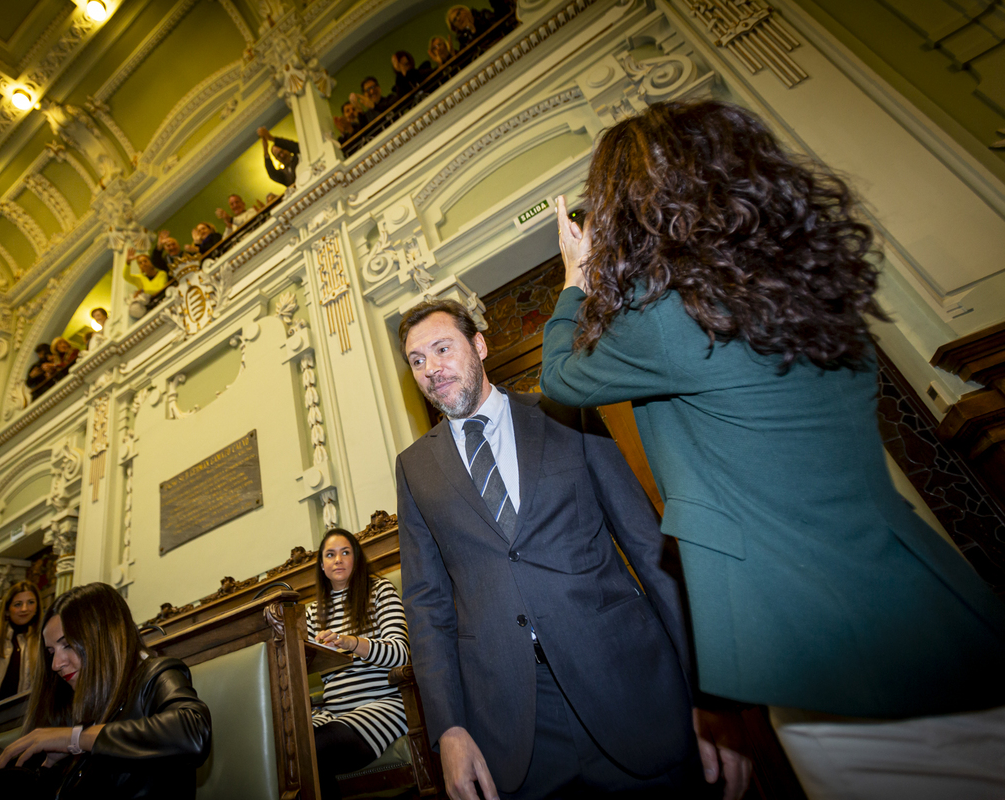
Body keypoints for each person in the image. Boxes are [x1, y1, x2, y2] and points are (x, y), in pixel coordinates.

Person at [540, 99, 1005, 799]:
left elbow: (560, 377)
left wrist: (576, 282)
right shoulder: (813, 292)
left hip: (825, 651)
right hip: (941, 616)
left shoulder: (669, 318)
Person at [395, 299, 744, 800]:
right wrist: (448, 729)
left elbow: (648, 548)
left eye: (442, 348)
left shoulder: (563, 412)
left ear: (479, 346)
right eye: (417, 360)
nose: (432, 368)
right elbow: (426, 606)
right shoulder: (415, 468)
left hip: (628, 688)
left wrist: (710, 694)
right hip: (514, 726)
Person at [0, 582, 211, 799]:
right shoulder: (81, 703)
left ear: (102, 636)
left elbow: (192, 734)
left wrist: (75, 738)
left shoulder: (156, 673)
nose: (55, 664)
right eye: (51, 651)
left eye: (67, 644)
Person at [306, 529, 410, 800]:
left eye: (345, 552)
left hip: (381, 705)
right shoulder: (311, 613)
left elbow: (401, 653)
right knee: (290, 750)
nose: (337, 559)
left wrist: (351, 642)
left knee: (315, 748)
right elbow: (304, 667)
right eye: (330, 554)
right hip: (332, 712)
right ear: (322, 566)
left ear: (356, 558)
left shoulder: (380, 591)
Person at [123, 253, 170, 320]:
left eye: (145, 261)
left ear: (150, 262)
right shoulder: (140, 278)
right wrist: (128, 263)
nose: (143, 264)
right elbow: (126, 276)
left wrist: (143, 291)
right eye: (140, 263)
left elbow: (160, 289)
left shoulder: (161, 274)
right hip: (148, 310)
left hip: (162, 304)